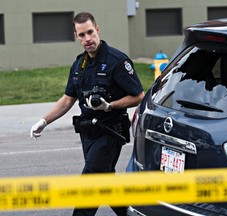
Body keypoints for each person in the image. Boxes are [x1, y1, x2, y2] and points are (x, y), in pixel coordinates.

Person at [30, 12, 144, 216]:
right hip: (88, 134)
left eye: (90, 32)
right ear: (76, 36)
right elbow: (67, 99)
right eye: (81, 35)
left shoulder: (116, 61)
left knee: (89, 184)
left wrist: (110, 106)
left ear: (97, 30)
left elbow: (138, 96)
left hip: (111, 132)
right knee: (104, 181)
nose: (87, 39)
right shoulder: (79, 65)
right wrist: (43, 121)